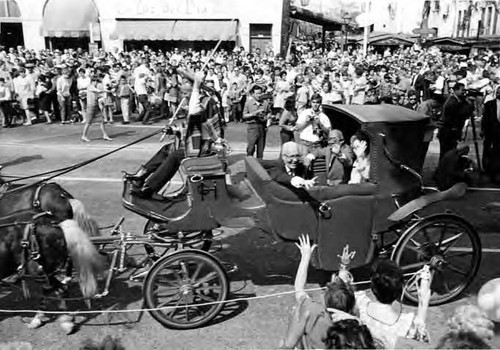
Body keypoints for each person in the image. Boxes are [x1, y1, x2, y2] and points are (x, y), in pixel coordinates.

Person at [130, 71, 223, 199]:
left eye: (186, 88)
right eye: (182, 89)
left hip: (207, 145)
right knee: (167, 149)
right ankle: (140, 176)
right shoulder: (193, 100)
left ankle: (150, 188)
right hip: (196, 142)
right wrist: (173, 130)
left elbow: (194, 113)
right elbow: (190, 126)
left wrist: (196, 86)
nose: (182, 92)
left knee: (175, 155)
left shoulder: (206, 101)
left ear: (195, 88)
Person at [280, 235, 359, 349]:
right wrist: (344, 266)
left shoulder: (314, 312)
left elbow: (299, 288)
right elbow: (343, 292)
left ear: (325, 299)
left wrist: (305, 256)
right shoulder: (354, 321)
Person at [356, 260, 416, 349]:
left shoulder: (359, 303)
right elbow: (421, 340)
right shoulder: (406, 325)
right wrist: (424, 301)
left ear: (372, 287)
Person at [438, 83, 473, 160]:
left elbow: (467, 114)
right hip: (447, 131)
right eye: (462, 90)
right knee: (446, 153)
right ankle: (442, 170)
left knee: (451, 153)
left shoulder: (460, 101)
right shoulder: (451, 102)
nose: (463, 92)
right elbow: (459, 114)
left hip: (453, 131)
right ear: (455, 90)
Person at [295, 93, 331, 167]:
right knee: (303, 165)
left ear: (320, 104)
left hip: (317, 144)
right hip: (304, 143)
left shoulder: (323, 116)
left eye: (317, 102)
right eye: (313, 102)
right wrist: (307, 122)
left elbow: (328, 132)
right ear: (310, 102)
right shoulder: (304, 113)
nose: (315, 104)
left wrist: (320, 124)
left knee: (316, 166)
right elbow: (297, 127)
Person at [81, 76, 113, 142]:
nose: (96, 83)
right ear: (93, 81)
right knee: (88, 122)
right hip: (91, 106)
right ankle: (84, 136)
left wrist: (101, 98)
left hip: (96, 106)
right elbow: (98, 91)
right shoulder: (90, 86)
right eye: (96, 82)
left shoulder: (94, 87)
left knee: (102, 121)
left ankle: (105, 135)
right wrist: (106, 90)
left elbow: (98, 94)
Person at [242, 84, 270, 159]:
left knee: (261, 149)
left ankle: (259, 165)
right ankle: (249, 162)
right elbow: (244, 115)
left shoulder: (265, 103)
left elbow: (269, 113)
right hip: (252, 127)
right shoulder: (248, 103)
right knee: (251, 147)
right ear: (253, 94)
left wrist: (267, 119)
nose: (259, 95)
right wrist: (253, 114)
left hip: (262, 127)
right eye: (257, 93)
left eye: (260, 93)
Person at [481, 86, 500, 183]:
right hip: (490, 130)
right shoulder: (489, 104)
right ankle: (486, 168)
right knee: (487, 149)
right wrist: (482, 130)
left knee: (497, 151)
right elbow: (484, 119)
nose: (498, 94)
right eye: (498, 92)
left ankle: (496, 169)